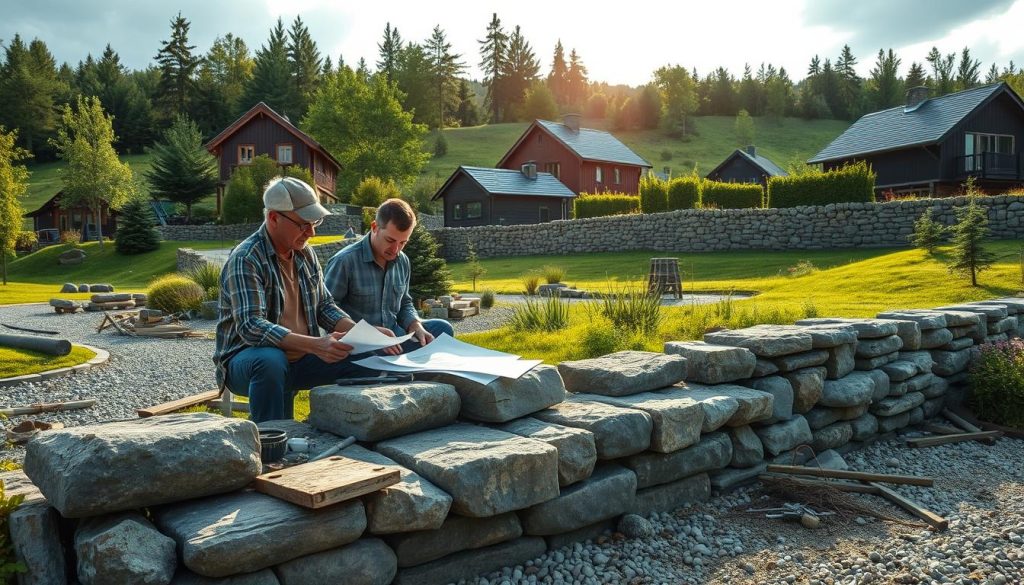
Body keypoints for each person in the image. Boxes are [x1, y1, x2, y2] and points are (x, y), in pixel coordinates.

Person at [213, 177, 376, 423]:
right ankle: (270, 444)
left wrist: (365, 335)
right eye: (303, 224)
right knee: (270, 360)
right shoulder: (246, 258)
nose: (311, 232)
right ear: (274, 218)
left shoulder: (305, 254)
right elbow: (251, 326)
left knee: (367, 357)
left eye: (315, 222)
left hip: (300, 357)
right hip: (245, 361)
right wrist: (316, 345)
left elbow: (325, 307)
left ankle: (351, 432)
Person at [325, 198, 454, 354]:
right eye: (390, 240)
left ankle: (404, 365)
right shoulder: (345, 261)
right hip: (361, 344)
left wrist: (415, 325)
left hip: (395, 338)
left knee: (442, 329)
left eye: (403, 243)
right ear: (374, 227)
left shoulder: (403, 260)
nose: (395, 250)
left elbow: (405, 303)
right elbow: (327, 312)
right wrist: (368, 334)